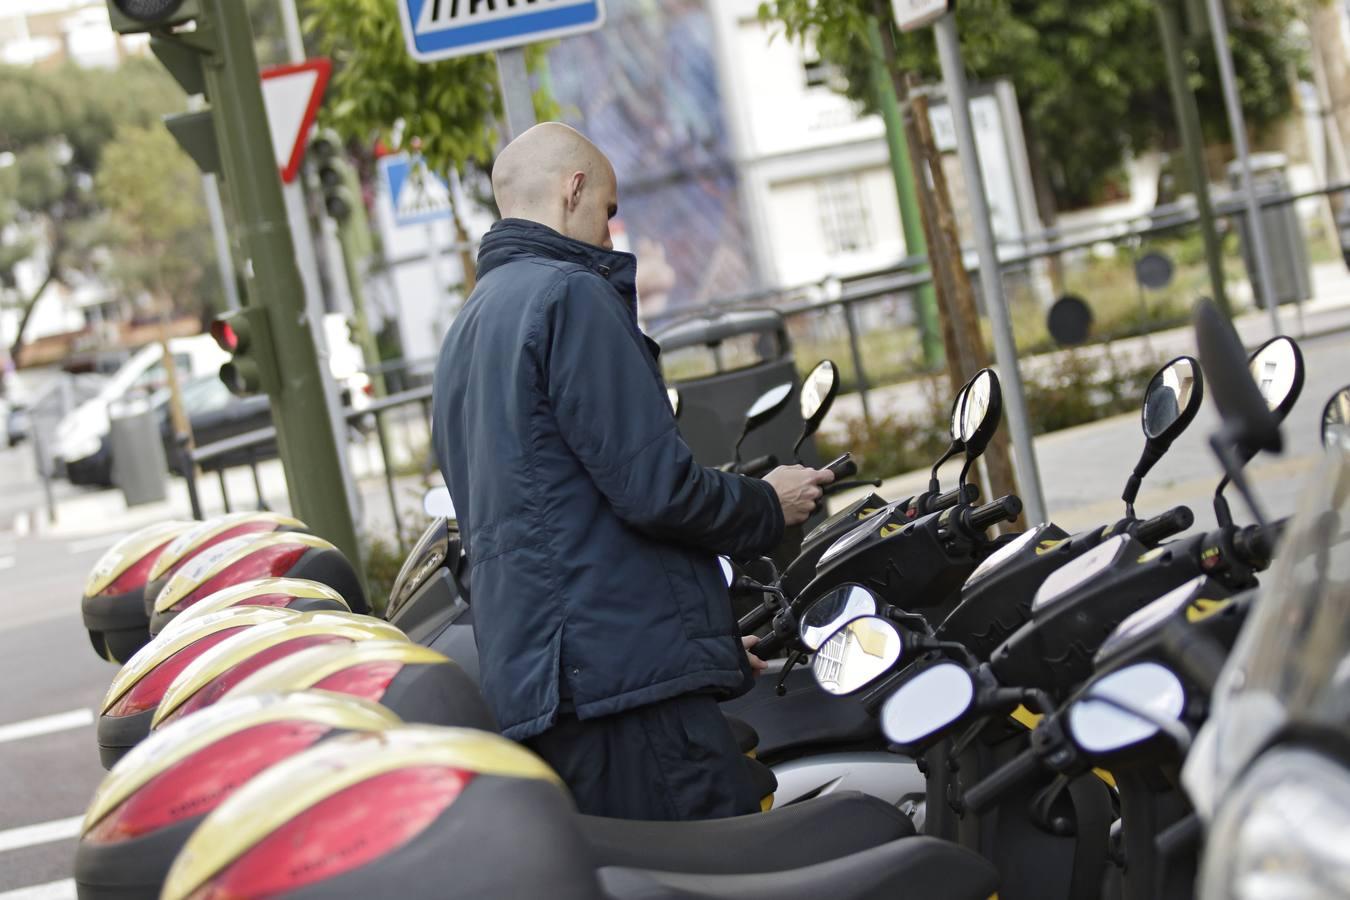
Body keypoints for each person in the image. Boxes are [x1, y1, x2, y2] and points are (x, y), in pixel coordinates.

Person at [432, 123, 833, 821]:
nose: (613, 233)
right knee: (722, 868)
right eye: (609, 210)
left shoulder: (468, 328)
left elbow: (550, 523)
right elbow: (654, 489)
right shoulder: (571, 297)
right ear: (573, 189)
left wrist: (685, 645)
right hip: (620, 696)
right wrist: (768, 504)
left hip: (556, 689)